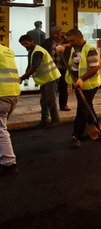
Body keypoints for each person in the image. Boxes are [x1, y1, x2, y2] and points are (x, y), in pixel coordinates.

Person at [56, 29, 101, 149]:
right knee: (87, 106)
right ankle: (97, 125)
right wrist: (62, 46)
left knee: (82, 110)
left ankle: (77, 136)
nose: (70, 42)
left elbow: (95, 68)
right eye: (68, 40)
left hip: (89, 85)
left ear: (80, 38)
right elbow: (68, 44)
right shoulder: (76, 48)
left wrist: (81, 79)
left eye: (72, 40)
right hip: (79, 84)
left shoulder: (90, 50)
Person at [19, 34, 62, 128]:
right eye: (23, 45)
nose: (25, 46)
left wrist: (22, 78)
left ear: (32, 41)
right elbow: (31, 66)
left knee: (50, 100)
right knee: (44, 101)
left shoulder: (37, 52)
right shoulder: (33, 51)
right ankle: (44, 119)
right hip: (45, 79)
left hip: (50, 78)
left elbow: (33, 68)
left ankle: (55, 120)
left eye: (26, 43)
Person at [0, 43, 20, 175]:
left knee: (1, 130)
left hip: (1, 94)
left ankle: (9, 162)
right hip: (13, 93)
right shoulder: (7, 50)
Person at [42, 26, 71, 111]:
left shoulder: (67, 42)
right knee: (50, 89)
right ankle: (49, 106)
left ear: (61, 32)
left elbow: (74, 46)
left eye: (58, 33)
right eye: (54, 34)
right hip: (51, 68)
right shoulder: (47, 42)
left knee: (63, 88)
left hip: (62, 67)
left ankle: (63, 105)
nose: (56, 35)